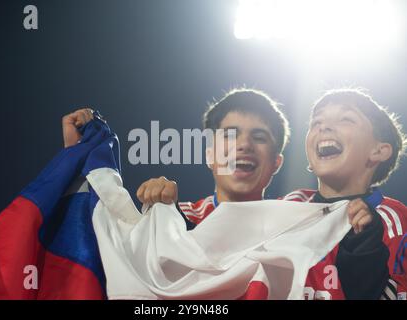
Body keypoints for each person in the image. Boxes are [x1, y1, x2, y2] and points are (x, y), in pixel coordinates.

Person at [130, 88, 391, 299]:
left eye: (259, 137)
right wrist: (166, 221)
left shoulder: (291, 217)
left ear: (277, 163)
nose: (244, 145)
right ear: (209, 154)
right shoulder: (178, 217)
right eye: (230, 136)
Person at [283, 89, 407, 300]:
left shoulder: (395, 221)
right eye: (316, 122)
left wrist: (366, 253)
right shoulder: (288, 206)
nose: (324, 126)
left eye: (346, 119)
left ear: (379, 151)